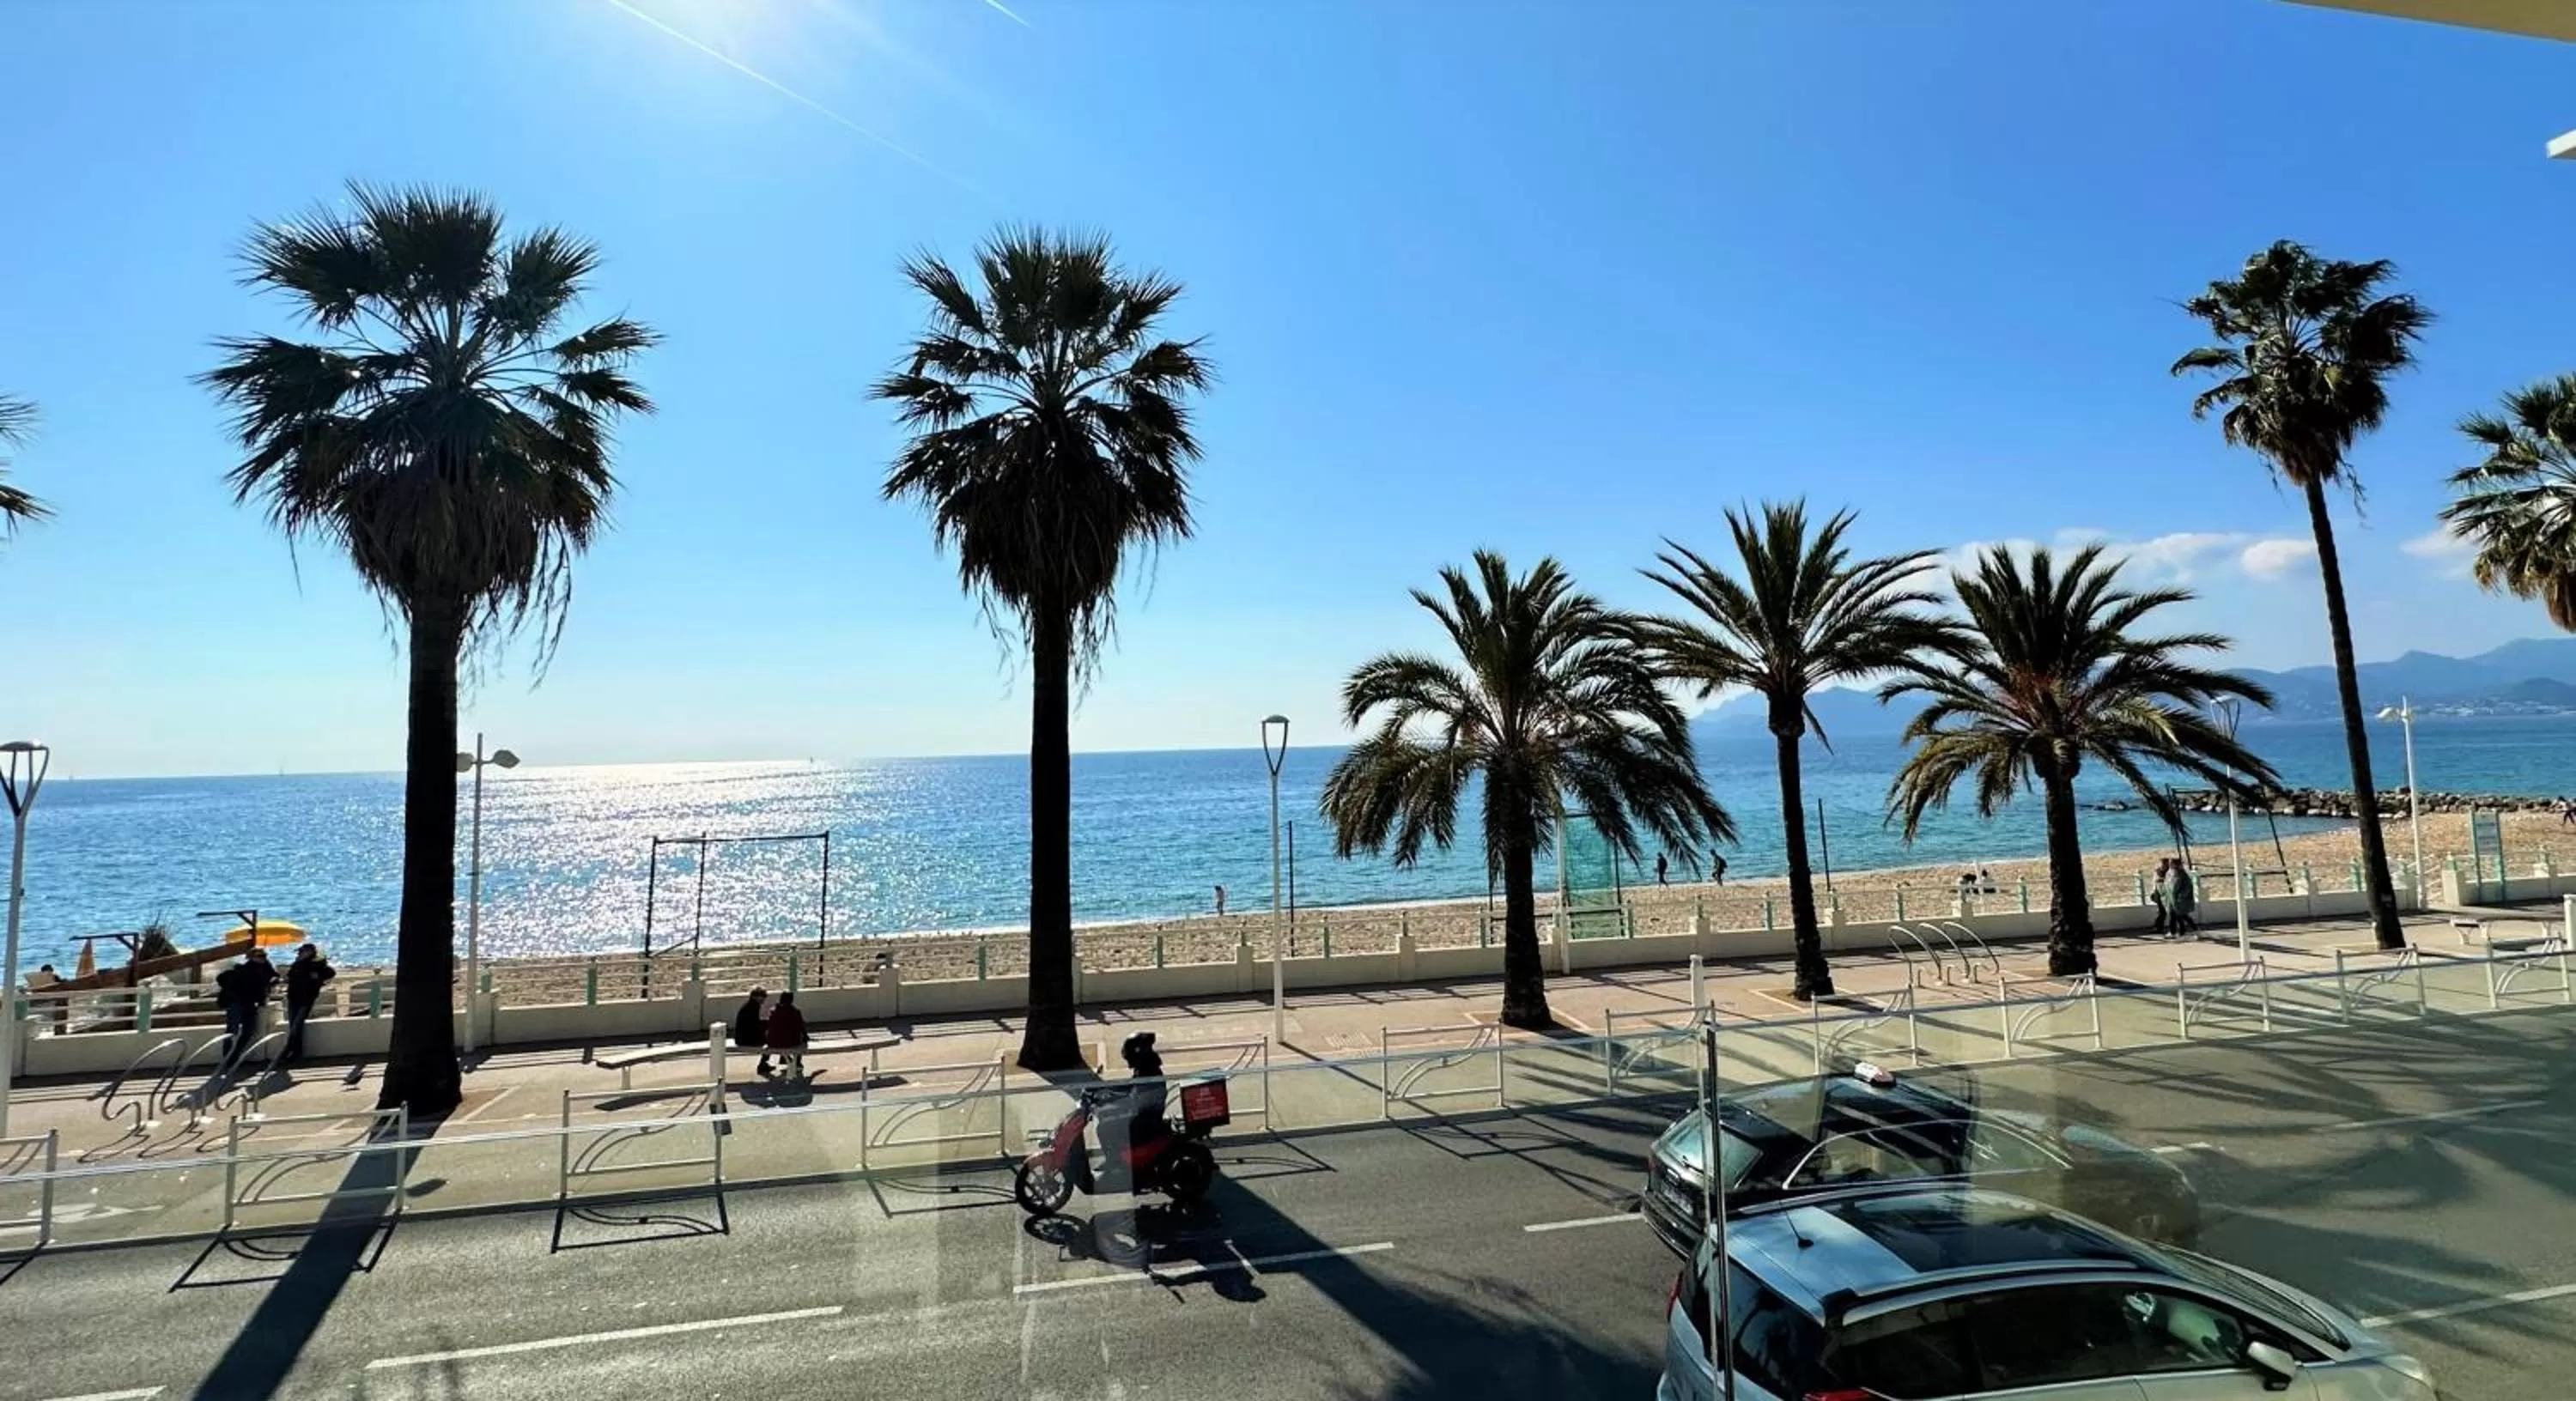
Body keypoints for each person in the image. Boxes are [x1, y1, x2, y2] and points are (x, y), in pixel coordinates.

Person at [282, 943, 335, 1062]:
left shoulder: (317, 963)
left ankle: (287, 1051)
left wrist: (318, 976)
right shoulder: (297, 963)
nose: (300, 954)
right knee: (294, 1026)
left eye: (302, 952)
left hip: (306, 998)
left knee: (296, 1025)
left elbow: (330, 972)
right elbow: (290, 976)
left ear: (310, 952)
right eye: (300, 952)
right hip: (293, 997)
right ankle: (295, 1053)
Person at [762, 991, 808, 1081]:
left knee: (779, 1036)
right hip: (790, 1043)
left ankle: (767, 1062)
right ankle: (798, 1062)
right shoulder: (795, 1012)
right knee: (801, 1040)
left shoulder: (773, 1011)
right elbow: (801, 1027)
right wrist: (806, 1037)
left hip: (774, 1043)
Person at [733, 988, 770, 1072]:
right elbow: (754, 1025)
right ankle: (763, 1064)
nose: (764, 1000)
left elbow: (753, 1023)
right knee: (771, 1041)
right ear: (756, 997)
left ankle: (764, 1063)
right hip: (746, 1039)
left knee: (770, 1037)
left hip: (742, 1037)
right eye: (762, 997)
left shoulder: (749, 1005)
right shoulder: (753, 1007)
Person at [2168, 863, 2199, 936]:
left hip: (2179, 900)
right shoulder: (2173, 876)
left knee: (2179, 915)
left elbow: (2187, 887)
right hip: (2173, 899)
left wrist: (2181, 896)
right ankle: (2176, 932)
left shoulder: (2183, 877)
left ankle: (2183, 931)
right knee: (2177, 915)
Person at [2150, 858, 2172, 936]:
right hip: (2159, 892)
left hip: (2167, 893)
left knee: (2169, 911)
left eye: (2165, 864)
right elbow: (2155, 882)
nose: (2163, 865)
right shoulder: (2158, 871)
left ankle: (2169, 928)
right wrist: (2153, 892)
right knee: (2161, 911)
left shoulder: (2170, 872)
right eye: (2163, 864)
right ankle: (2158, 927)